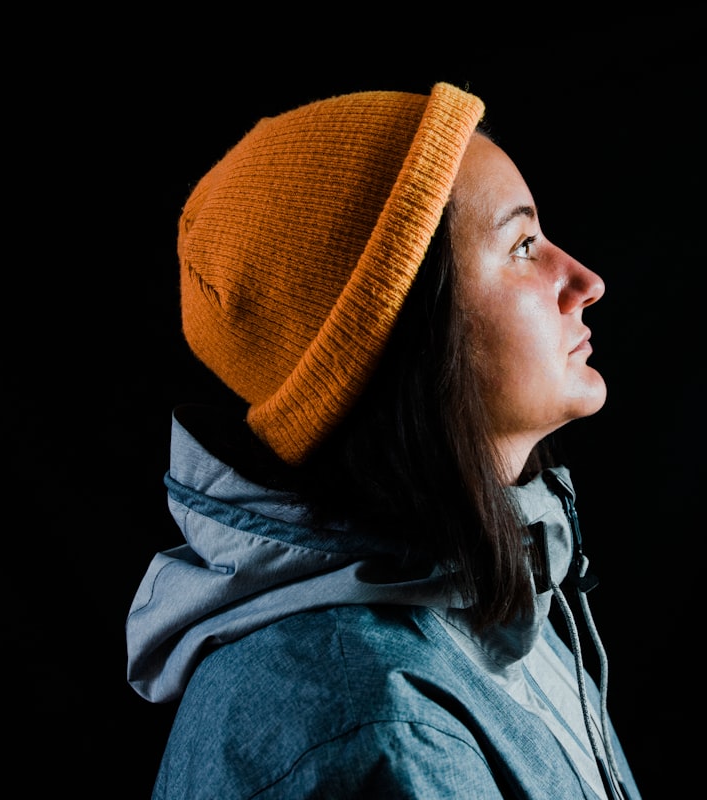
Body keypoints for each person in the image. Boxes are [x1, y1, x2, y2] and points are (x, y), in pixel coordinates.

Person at [126, 81, 642, 799]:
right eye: (524, 245)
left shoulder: (488, 599)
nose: (586, 281)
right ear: (404, 334)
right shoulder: (378, 732)